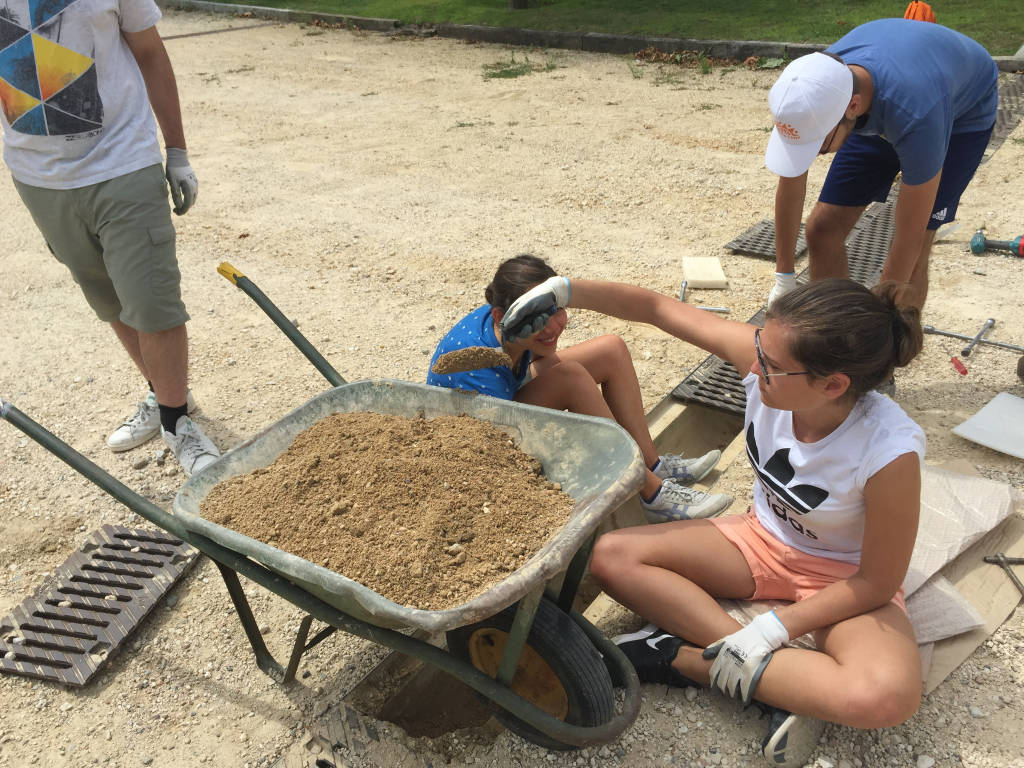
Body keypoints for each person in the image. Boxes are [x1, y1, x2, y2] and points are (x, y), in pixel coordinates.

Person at [501, 275, 925, 767]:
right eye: (758, 349)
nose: (753, 364)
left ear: (832, 385)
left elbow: (877, 581)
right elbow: (657, 308)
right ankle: (764, 676)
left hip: (840, 578)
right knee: (612, 556)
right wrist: (566, 290)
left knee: (885, 697)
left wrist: (771, 629)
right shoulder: (770, 362)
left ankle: (678, 658)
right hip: (761, 541)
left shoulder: (889, 451)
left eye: (770, 366)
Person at [1, 0, 219, 476]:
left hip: (122, 161)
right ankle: (165, 396)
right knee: (108, 297)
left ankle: (176, 423)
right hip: (38, 177)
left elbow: (151, 52)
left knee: (151, 299)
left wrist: (177, 151)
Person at [426, 254, 732, 521]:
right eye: (538, 318)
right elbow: (495, 445)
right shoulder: (475, 361)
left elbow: (542, 357)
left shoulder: (512, 324)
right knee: (572, 378)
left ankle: (653, 464)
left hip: (507, 390)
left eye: (555, 310)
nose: (552, 327)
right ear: (498, 315)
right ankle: (651, 495)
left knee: (610, 350)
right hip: (485, 434)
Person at [765, 19, 998, 311]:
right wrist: (784, 278)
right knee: (823, 230)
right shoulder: (814, 87)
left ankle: (892, 352)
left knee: (914, 252)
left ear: (852, 108)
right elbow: (791, 179)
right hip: (890, 91)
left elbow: (907, 238)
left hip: (961, 113)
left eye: (818, 145)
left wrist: (878, 326)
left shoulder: (917, 114)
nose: (815, 155)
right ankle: (835, 338)